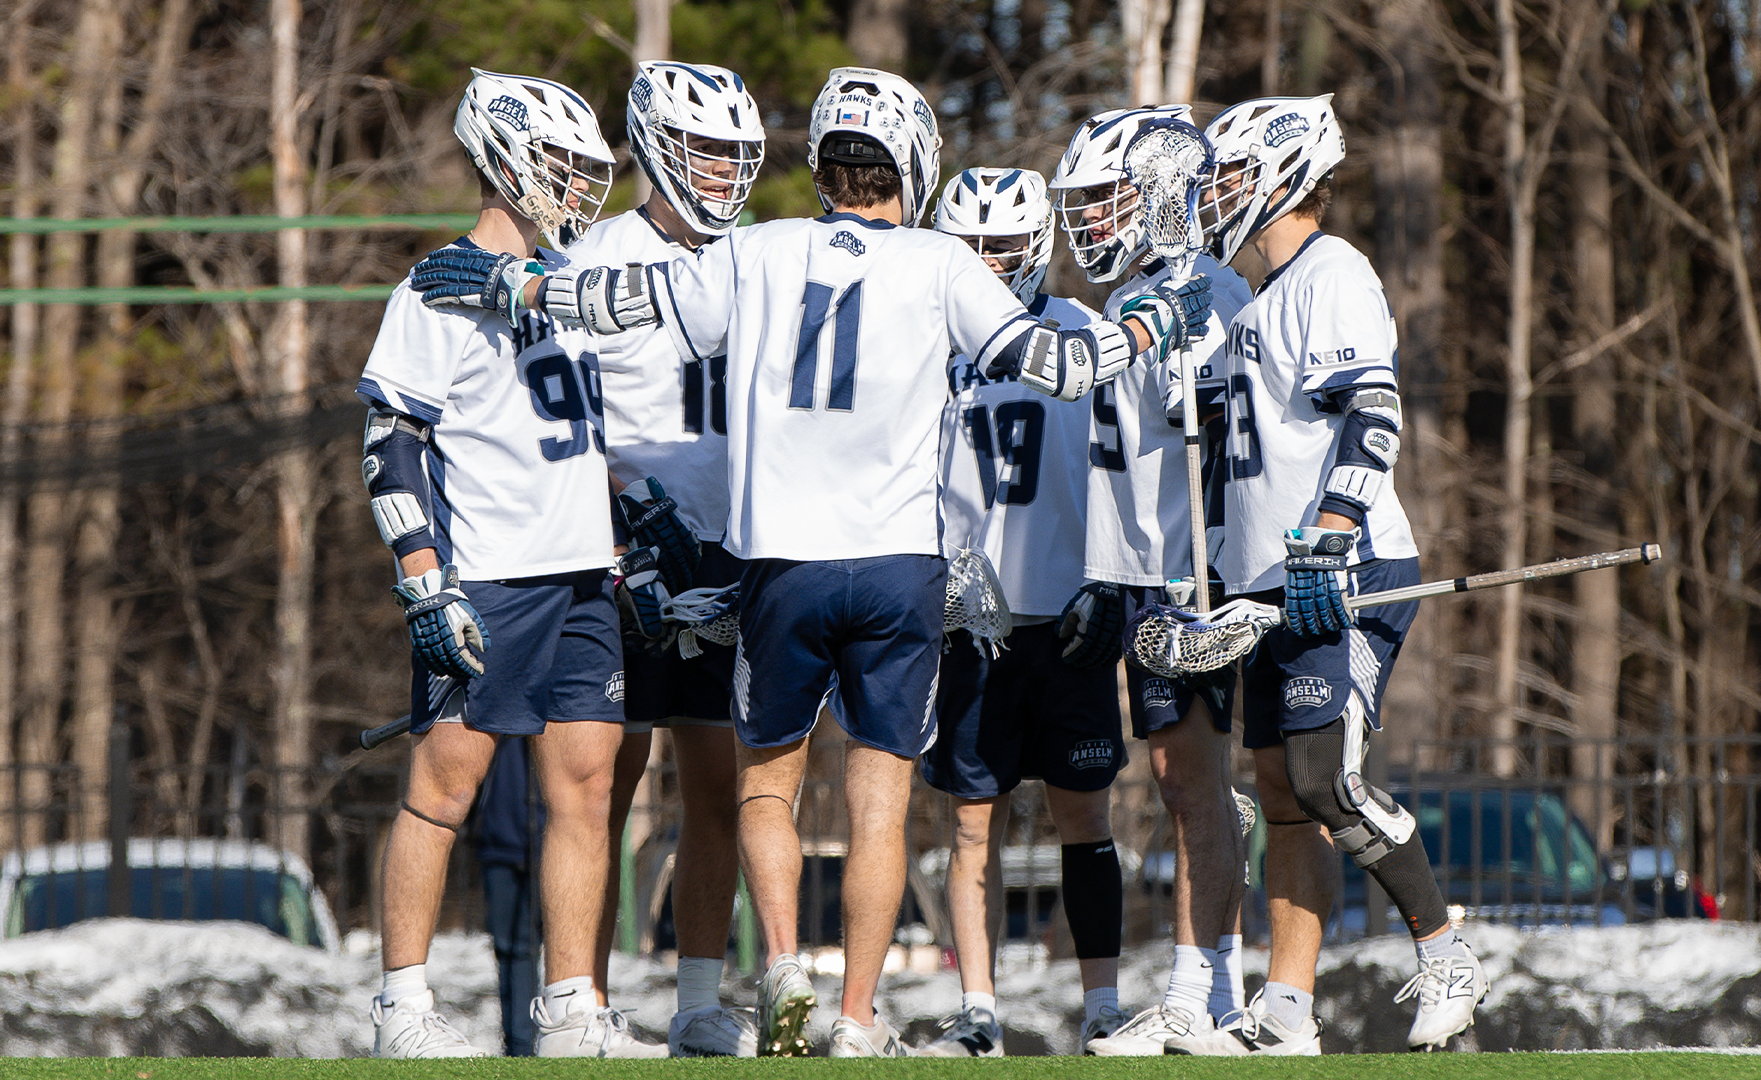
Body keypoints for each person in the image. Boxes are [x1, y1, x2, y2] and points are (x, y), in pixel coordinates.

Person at [407, 65, 1210, 1059]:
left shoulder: (759, 251)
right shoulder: (939, 263)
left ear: (821, 161)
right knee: (876, 803)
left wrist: (511, 281)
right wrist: (1151, 321)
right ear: (910, 163)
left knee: (764, 789)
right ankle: (858, 1018)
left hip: (781, 562)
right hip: (897, 567)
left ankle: (783, 960)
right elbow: (1058, 365)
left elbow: (624, 306)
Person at [1163, 94, 1486, 1056]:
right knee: (1283, 791)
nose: (1214, 193)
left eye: (1227, 174)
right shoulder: (1253, 300)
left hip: (1342, 569)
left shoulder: (1332, 270)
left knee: (1324, 779)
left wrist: (1333, 530)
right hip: (1267, 579)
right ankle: (1287, 1010)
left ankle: (1444, 951)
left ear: (1283, 173)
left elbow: (1372, 414)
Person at [360, 68, 664, 1060]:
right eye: (563, 167)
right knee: (442, 788)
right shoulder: (436, 282)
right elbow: (391, 437)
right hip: (490, 570)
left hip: (585, 573)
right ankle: (403, 1005)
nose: (580, 187)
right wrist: (423, 575)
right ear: (504, 160)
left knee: (584, 787)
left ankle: (572, 1007)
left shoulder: (563, 287)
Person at [1046, 105, 1258, 1057]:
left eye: (1104, 200)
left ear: (1158, 192)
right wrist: (1102, 574)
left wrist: (1203, 571)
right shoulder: (1128, 299)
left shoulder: (1211, 292)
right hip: (1142, 573)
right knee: (1187, 785)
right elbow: (1119, 458)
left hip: (1195, 572)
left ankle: (1202, 989)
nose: (1088, 223)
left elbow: (1226, 440)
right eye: (1080, 204)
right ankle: (1219, 984)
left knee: (1192, 781)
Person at [566, 60, 765, 1060]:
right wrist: (614, 514)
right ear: (653, 145)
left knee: (718, 783)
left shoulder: (754, 258)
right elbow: (557, 405)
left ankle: (695, 1000)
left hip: (727, 548)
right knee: (601, 780)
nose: (725, 172)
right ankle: (585, 999)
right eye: (707, 151)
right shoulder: (599, 254)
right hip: (624, 555)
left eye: (738, 154)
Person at [915, 167, 1128, 1059]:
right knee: (972, 822)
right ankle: (979, 1012)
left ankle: (1104, 1005)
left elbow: (1127, 469)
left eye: (1005, 245)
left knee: (1086, 816)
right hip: (973, 619)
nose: (991, 265)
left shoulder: (1085, 333)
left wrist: (1113, 580)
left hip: (1067, 614)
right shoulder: (931, 339)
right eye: (972, 249)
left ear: (1040, 242)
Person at [472, 737, 542, 1056]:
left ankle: (527, 1042)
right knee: (507, 948)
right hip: (498, 840)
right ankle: (515, 1043)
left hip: (544, 844)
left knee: (529, 947)